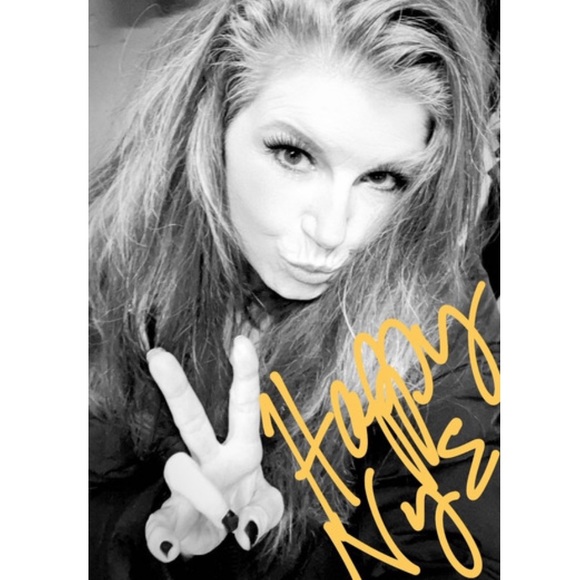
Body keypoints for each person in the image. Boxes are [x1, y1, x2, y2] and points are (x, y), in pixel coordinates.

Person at [89, 0, 500, 578]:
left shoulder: (445, 330)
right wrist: (156, 535)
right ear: (214, 119)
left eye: (383, 178)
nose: (334, 232)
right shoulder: (104, 265)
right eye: (294, 154)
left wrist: (245, 557)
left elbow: (453, 543)